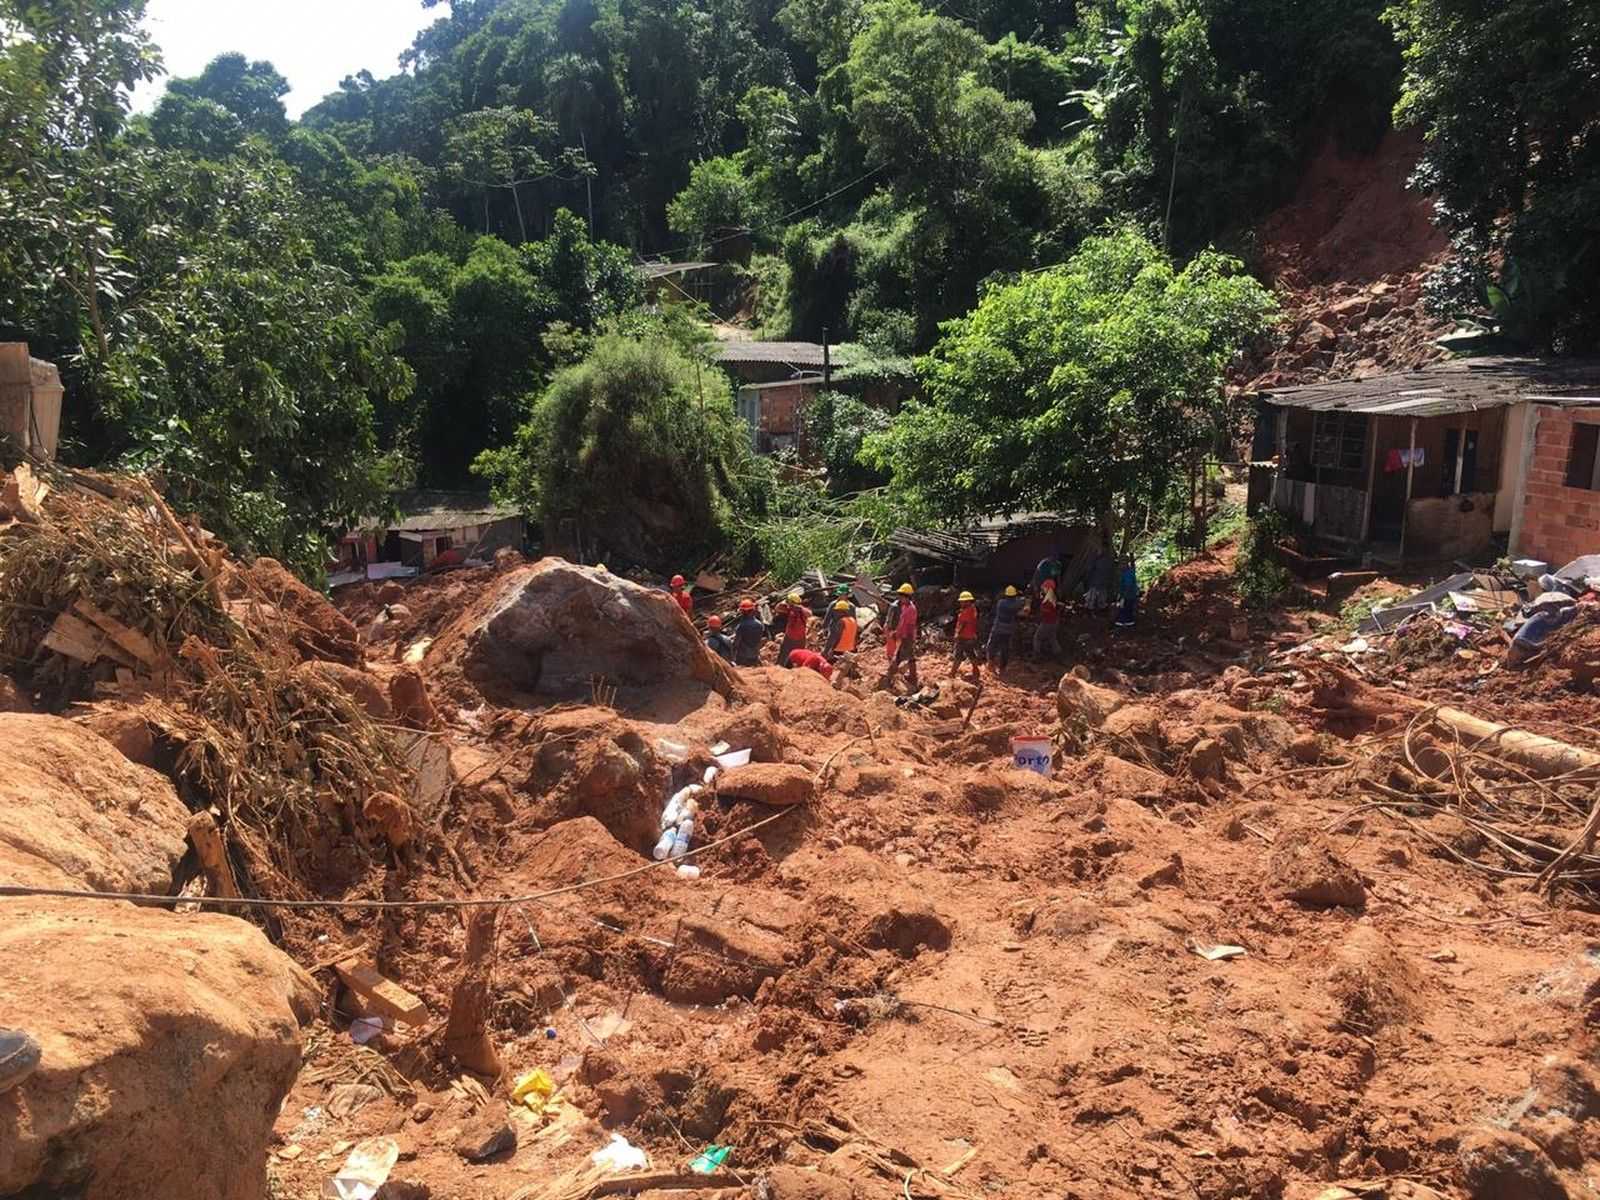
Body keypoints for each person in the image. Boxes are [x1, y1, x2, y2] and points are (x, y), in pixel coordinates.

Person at [881, 582, 920, 691]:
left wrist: (898, 634)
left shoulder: (910, 609)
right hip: (908, 636)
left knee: (897, 658)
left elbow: (906, 625)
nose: (900, 598)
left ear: (907, 597)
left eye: (902, 596)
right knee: (911, 657)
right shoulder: (906, 607)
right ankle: (913, 676)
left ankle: (888, 678)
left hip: (907, 636)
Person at [988, 584, 1024, 672]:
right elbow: (1022, 604)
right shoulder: (1016, 604)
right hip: (1008, 630)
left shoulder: (1001, 603)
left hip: (997, 628)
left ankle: (990, 663)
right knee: (1005, 648)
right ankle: (1002, 668)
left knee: (992, 646)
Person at [949, 590, 981, 682]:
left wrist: (957, 635)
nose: (961, 603)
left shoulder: (965, 613)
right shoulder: (973, 609)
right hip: (971, 636)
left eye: (962, 601)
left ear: (967, 601)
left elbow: (962, 625)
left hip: (963, 637)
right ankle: (976, 672)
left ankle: (952, 673)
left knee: (958, 656)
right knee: (971, 654)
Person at [777, 591, 809, 666]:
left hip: (790, 637)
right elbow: (809, 614)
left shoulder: (791, 610)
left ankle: (781, 667)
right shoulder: (802, 611)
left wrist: (784, 602)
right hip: (801, 638)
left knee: (784, 654)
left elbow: (777, 608)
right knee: (798, 655)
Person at [732, 598, 766, 666]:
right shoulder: (759, 624)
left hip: (743, 657)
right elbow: (759, 639)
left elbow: (736, 643)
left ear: (743, 612)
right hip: (755, 655)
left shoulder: (741, 626)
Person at [1034, 578, 1061, 660]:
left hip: (1047, 623)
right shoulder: (1053, 596)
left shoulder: (1048, 600)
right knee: (1052, 638)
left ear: (1048, 588)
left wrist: (1039, 614)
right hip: (1054, 622)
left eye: (1045, 587)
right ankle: (1058, 654)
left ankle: (1037, 656)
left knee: (1037, 637)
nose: (1043, 589)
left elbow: (1045, 612)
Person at [1084, 546, 1113, 611]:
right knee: (1094, 597)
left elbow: (1089, 569)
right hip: (1097, 581)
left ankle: (1097, 608)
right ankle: (1092, 608)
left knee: (1098, 597)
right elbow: (1090, 569)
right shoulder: (1096, 558)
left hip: (1099, 581)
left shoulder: (1106, 560)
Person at [1115, 561, 1140, 629]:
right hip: (1130, 595)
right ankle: (1129, 623)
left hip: (1128, 595)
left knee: (1124, 608)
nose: (1119, 567)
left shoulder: (1127, 573)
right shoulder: (1129, 572)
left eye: (1121, 565)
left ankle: (1123, 623)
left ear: (1124, 565)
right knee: (1128, 609)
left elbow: (1128, 585)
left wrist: (1122, 596)